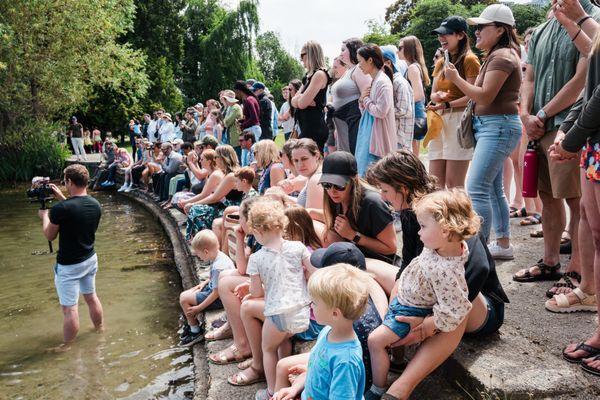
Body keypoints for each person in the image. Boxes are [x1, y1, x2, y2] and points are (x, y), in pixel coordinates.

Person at [513, 0, 600, 287]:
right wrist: (526, 114)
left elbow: (582, 79)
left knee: (577, 202)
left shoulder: (593, 19)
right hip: (539, 125)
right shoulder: (542, 29)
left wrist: (542, 113)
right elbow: (530, 76)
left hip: (568, 124)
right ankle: (550, 261)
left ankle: (577, 270)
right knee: (547, 196)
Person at [365, 189, 478, 400]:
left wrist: (427, 325)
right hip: (406, 298)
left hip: (411, 310)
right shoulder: (440, 246)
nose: (419, 232)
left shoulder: (446, 270)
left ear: (445, 230)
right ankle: (397, 363)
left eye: (423, 226)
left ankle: (378, 389)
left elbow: (457, 307)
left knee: (375, 341)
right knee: (390, 343)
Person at [443, 4, 522, 259]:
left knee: (477, 187)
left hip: (497, 127)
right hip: (494, 126)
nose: (476, 32)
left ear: (500, 30)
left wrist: (455, 79)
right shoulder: (498, 55)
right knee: (492, 189)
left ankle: (479, 252)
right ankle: (501, 244)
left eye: (481, 27)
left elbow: (485, 96)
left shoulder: (501, 57)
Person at [548, 0, 600, 372]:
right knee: (596, 234)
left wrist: (570, 137)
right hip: (594, 145)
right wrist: (569, 129)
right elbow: (590, 88)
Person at [241, 199, 312, 400]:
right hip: (301, 311)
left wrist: (260, 286)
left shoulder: (256, 258)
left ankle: (272, 391)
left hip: (278, 314)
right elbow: (313, 273)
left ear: (259, 231)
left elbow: (255, 293)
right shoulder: (298, 247)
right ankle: (284, 377)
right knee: (283, 340)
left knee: (268, 348)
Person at [273, 264, 369, 400]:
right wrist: (295, 387)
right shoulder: (328, 331)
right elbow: (322, 369)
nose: (311, 305)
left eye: (315, 303)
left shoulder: (345, 361)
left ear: (335, 313)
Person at [38, 164, 104, 350]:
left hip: (69, 265)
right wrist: (61, 198)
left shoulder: (61, 210)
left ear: (69, 181)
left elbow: (50, 235)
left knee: (70, 309)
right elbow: (76, 209)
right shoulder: (95, 204)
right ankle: (100, 329)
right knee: (91, 297)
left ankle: (67, 346)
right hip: (90, 258)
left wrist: (45, 216)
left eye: (65, 181)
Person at [366, 150, 437, 280]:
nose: (382, 196)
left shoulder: (432, 217)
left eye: (385, 190)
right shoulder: (409, 212)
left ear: (404, 188)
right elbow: (408, 260)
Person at [428, 16, 481, 188]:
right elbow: (433, 93)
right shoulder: (441, 62)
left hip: (458, 120)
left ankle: (458, 215)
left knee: (454, 185)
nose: (441, 38)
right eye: (439, 35)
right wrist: (437, 98)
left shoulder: (470, 59)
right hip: (438, 120)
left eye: (446, 34)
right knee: (434, 183)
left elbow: (473, 95)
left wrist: (448, 104)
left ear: (460, 35)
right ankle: (439, 216)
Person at [321, 151, 397, 263]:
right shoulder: (334, 198)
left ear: (354, 179)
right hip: (352, 254)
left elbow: (391, 248)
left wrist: (353, 236)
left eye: (339, 185)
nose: (332, 191)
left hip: (377, 261)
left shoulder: (372, 202)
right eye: (326, 184)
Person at [179, 230, 235, 347]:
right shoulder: (220, 257)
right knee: (188, 292)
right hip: (215, 291)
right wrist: (202, 284)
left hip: (218, 298)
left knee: (184, 298)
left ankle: (195, 331)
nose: (197, 256)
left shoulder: (217, 267)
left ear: (205, 251)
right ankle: (190, 323)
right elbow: (214, 280)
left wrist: (198, 308)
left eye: (198, 254)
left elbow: (216, 293)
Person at [355, 44, 397, 176]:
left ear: (370, 60)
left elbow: (380, 111)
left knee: (372, 175)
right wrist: (363, 100)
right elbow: (368, 110)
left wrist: (365, 100)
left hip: (375, 136)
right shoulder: (376, 80)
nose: (359, 65)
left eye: (360, 61)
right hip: (369, 133)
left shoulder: (382, 82)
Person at [333, 38, 372, 154]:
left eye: (343, 50)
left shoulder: (359, 69)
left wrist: (360, 100)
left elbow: (368, 91)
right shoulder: (348, 71)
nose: (340, 53)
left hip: (354, 122)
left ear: (353, 50)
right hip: (343, 125)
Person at [292, 41, 331, 151]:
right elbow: (294, 101)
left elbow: (301, 103)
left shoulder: (319, 74)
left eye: (302, 55)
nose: (301, 59)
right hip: (306, 127)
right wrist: (301, 99)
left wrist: (300, 99)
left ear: (310, 54)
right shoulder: (308, 76)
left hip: (314, 129)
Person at [397, 36, 430, 155]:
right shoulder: (413, 67)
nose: (397, 51)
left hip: (414, 117)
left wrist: (402, 104)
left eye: (400, 48)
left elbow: (419, 95)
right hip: (415, 115)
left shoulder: (412, 68)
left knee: (413, 157)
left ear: (409, 49)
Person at [382, 46, 414, 150]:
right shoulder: (390, 81)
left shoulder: (399, 82)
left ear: (388, 63)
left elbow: (404, 110)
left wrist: (382, 110)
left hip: (400, 138)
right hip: (394, 135)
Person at [222, 90, 243, 158]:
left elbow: (227, 122)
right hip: (231, 137)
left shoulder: (235, 108)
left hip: (236, 137)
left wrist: (224, 122)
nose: (225, 100)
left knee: (237, 157)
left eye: (226, 99)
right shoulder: (230, 108)